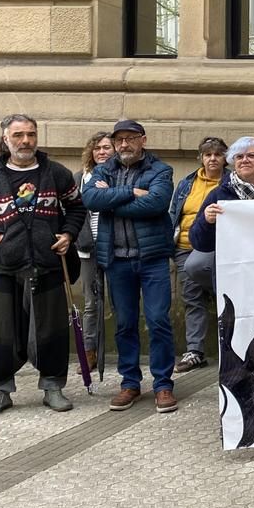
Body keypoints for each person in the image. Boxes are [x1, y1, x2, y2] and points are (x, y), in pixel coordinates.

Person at [0, 114, 86, 418]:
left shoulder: (56, 173)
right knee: (3, 333)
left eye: (31, 134)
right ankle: (0, 391)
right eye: (18, 135)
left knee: (52, 331)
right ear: (5, 139)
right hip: (6, 266)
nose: (26, 141)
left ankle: (52, 387)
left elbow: (76, 207)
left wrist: (68, 234)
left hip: (48, 263)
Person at [83, 119, 179, 414]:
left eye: (130, 139)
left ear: (143, 140)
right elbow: (89, 197)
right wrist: (132, 193)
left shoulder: (160, 170)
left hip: (152, 260)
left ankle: (163, 384)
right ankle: (130, 383)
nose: (124, 144)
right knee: (125, 324)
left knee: (158, 320)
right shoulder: (103, 170)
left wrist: (111, 200)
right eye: (119, 140)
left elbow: (156, 204)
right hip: (117, 260)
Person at [186, 137, 254, 290]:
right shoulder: (219, 194)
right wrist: (206, 221)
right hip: (235, 272)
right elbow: (199, 243)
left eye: (251, 156)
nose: (244, 160)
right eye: (239, 156)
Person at [169, 136, 227, 373]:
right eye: (207, 154)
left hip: (217, 248)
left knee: (227, 296)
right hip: (184, 247)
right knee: (191, 298)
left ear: (225, 158)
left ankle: (231, 349)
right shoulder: (186, 183)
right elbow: (175, 213)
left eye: (217, 154)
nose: (212, 159)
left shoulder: (231, 183)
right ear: (201, 158)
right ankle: (195, 351)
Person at [75, 131, 113, 371]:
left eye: (107, 147)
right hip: (88, 249)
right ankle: (89, 353)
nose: (102, 152)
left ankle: (119, 351)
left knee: (120, 303)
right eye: (97, 148)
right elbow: (73, 213)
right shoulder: (80, 178)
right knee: (91, 304)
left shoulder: (121, 176)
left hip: (115, 248)